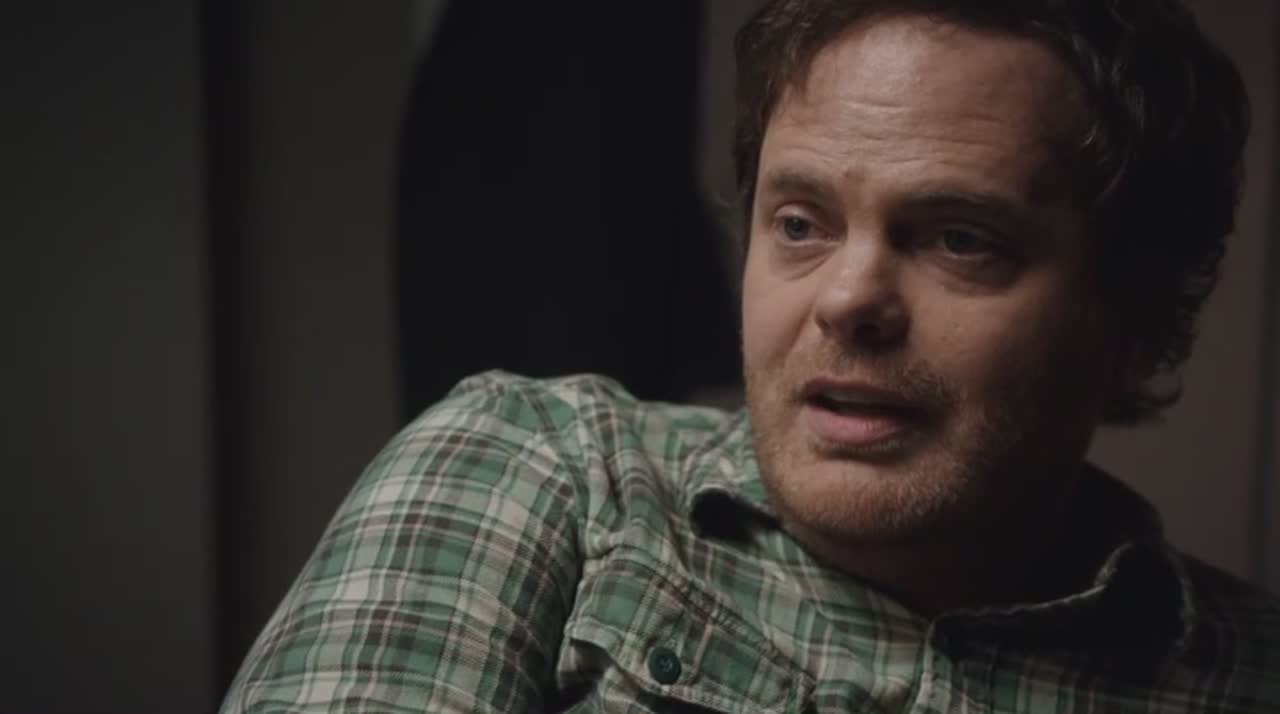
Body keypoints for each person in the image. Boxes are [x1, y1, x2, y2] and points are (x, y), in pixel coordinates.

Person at [221, 0, 1279, 711]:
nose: (846, 300)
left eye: (961, 239)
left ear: (1136, 323)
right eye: (800, 224)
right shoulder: (536, 469)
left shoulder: (1246, 671)